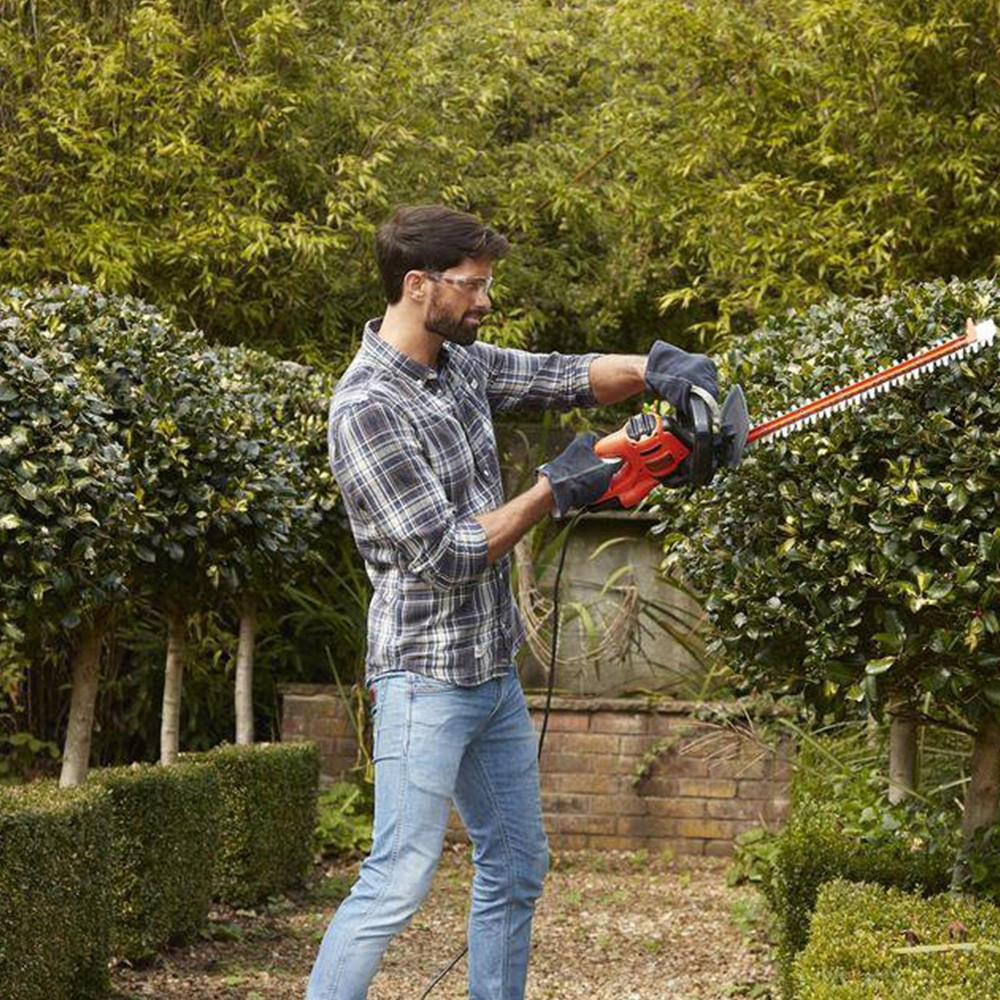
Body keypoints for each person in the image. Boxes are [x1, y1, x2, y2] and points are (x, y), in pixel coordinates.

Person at [307, 204, 717, 1000]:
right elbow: (446, 555)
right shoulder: (367, 408)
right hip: (424, 679)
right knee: (397, 879)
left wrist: (656, 368)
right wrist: (553, 489)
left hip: (490, 674)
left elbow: (560, 375)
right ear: (418, 285)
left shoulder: (458, 365)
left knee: (518, 865)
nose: (485, 301)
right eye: (473, 285)